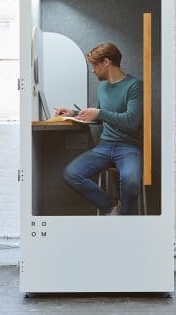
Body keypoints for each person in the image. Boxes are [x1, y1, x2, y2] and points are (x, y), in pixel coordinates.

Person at [55, 43, 143, 215]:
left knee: (131, 181)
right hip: (104, 147)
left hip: (128, 147)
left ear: (106, 62)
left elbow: (131, 121)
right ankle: (111, 206)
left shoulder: (134, 86)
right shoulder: (103, 87)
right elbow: (101, 117)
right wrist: (73, 113)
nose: (93, 70)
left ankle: (126, 222)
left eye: (95, 65)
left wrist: (100, 113)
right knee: (71, 173)